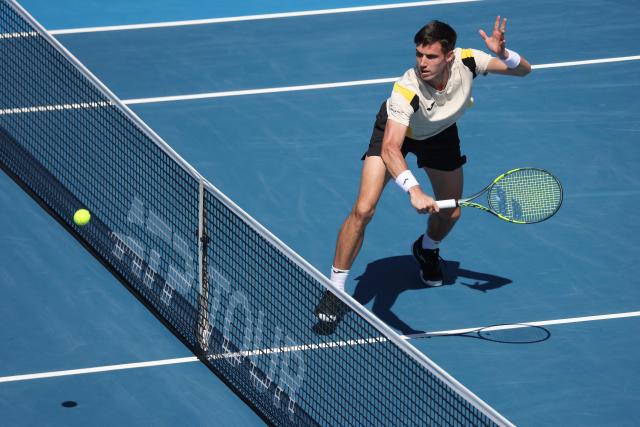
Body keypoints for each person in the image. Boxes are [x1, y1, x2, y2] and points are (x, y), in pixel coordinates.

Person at [315, 17, 531, 322]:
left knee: (451, 212)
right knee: (363, 210)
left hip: (440, 134)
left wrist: (503, 54)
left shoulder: (469, 61)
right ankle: (335, 289)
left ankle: (427, 249)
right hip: (397, 133)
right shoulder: (406, 88)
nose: (423, 62)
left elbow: (524, 71)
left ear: (449, 56)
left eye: (431, 56)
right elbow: (390, 148)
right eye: (419, 54)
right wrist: (413, 189)